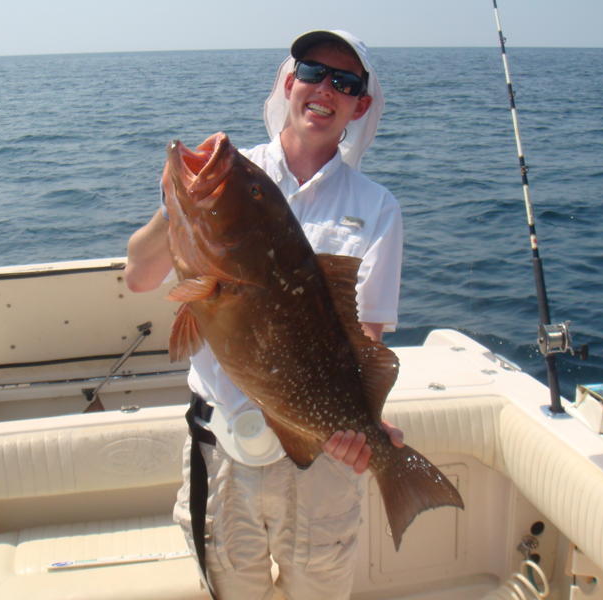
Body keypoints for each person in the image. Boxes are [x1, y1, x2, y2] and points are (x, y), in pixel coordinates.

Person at [125, 29, 404, 600]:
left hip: (320, 461)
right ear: (288, 79)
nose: (325, 89)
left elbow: (364, 337)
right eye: (311, 71)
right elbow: (140, 276)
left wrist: (363, 426)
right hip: (221, 448)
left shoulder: (376, 208)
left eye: (345, 82)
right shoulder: (236, 174)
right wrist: (177, 206)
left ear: (360, 105)